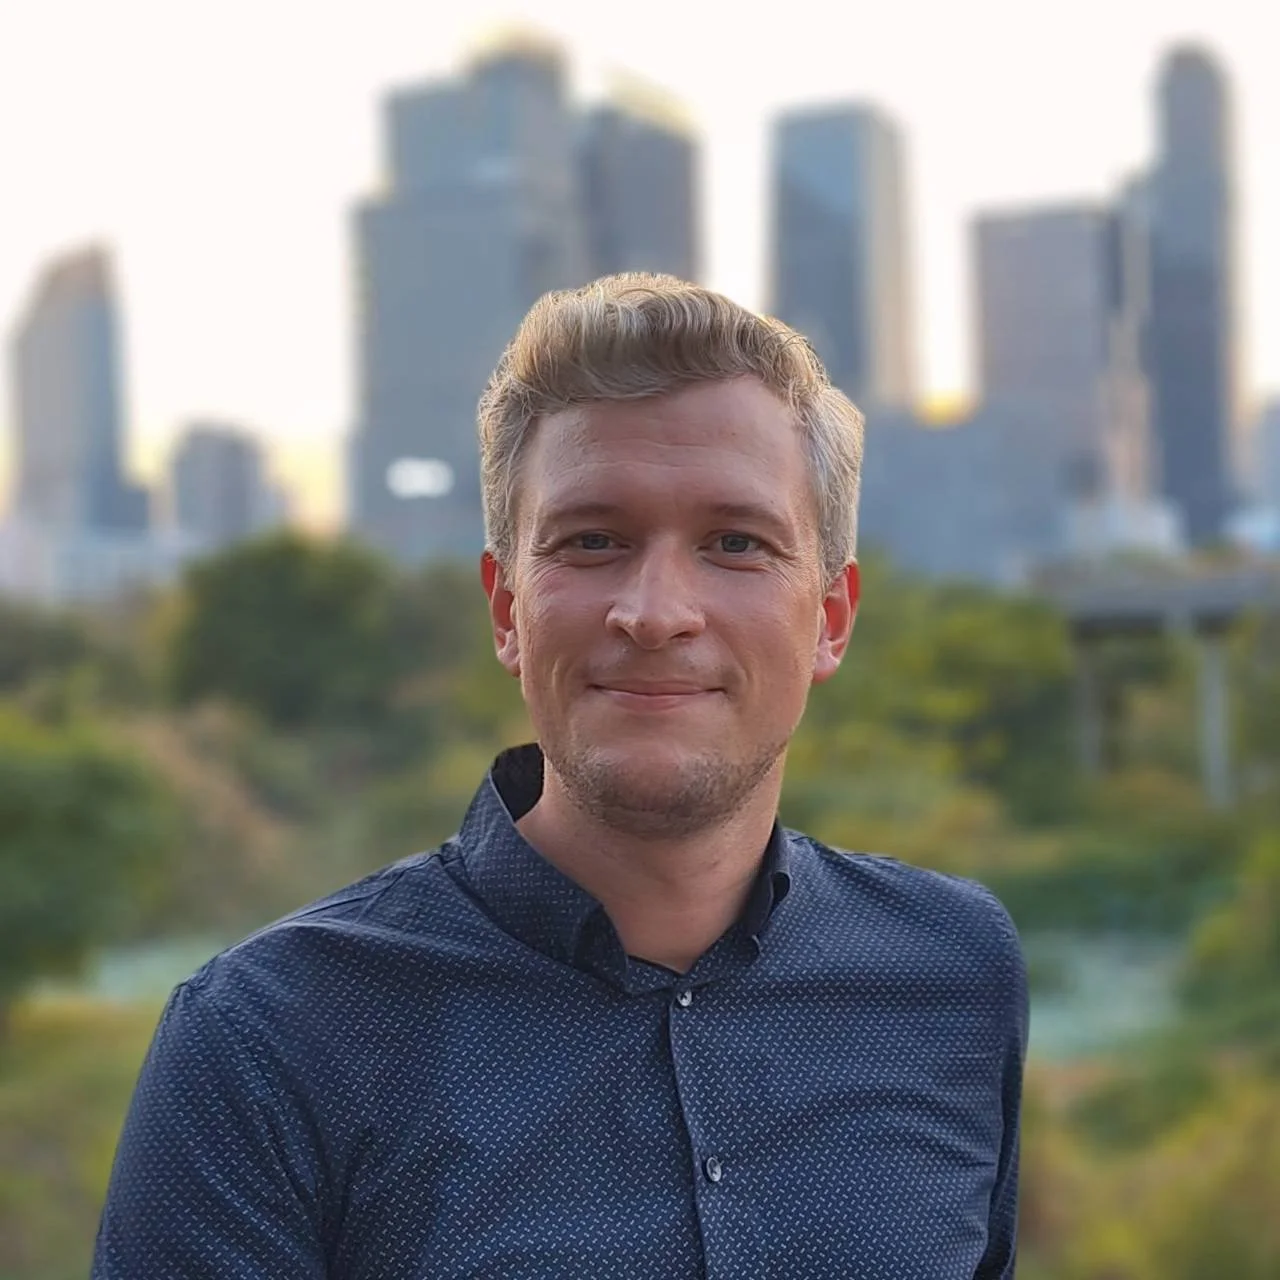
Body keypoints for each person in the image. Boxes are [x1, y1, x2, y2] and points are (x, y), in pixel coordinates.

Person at [93, 274, 1027, 1279]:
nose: (656, 612)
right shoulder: (267, 1043)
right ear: (507, 608)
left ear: (830, 619)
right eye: (592, 541)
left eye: (735, 543)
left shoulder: (955, 972)